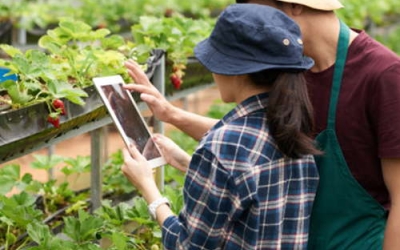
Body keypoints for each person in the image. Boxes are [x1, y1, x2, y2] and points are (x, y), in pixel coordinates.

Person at [125, 0, 400, 249]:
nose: (256, 21)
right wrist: (173, 117)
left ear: (295, 5)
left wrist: (151, 191)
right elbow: (260, 146)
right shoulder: (289, 73)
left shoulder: (383, 75)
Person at [122, 4, 321, 249]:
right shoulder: (293, 129)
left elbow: (187, 245)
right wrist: (188, 162)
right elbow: (247, 196)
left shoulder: (222, 148)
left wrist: (148, 188)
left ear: (235, 70)